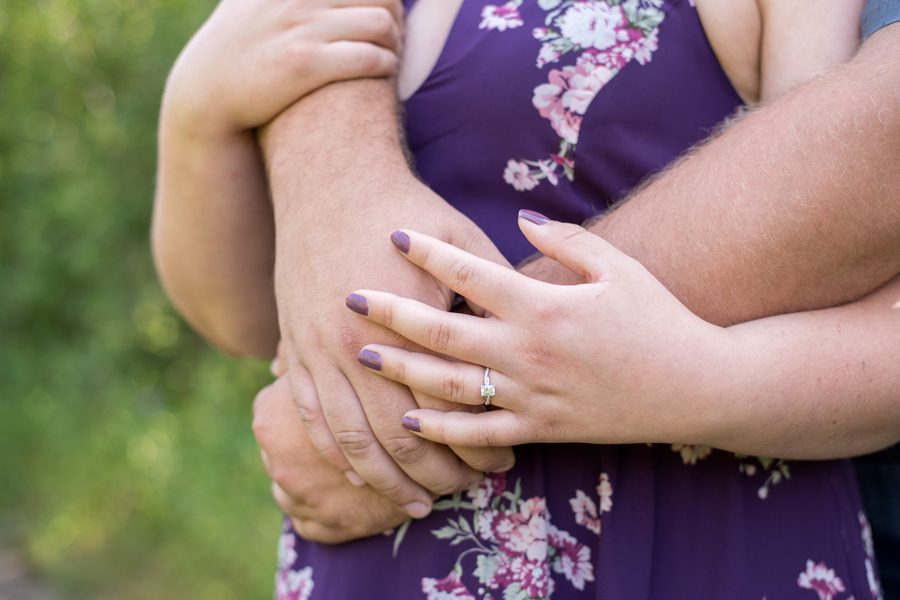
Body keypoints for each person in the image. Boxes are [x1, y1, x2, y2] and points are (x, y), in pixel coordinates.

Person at [152, 0, 900, 597]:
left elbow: (851, 270)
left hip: (699, 544)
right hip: (390, 562)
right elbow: (245, 319)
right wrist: (194, 110)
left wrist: (695, 379)